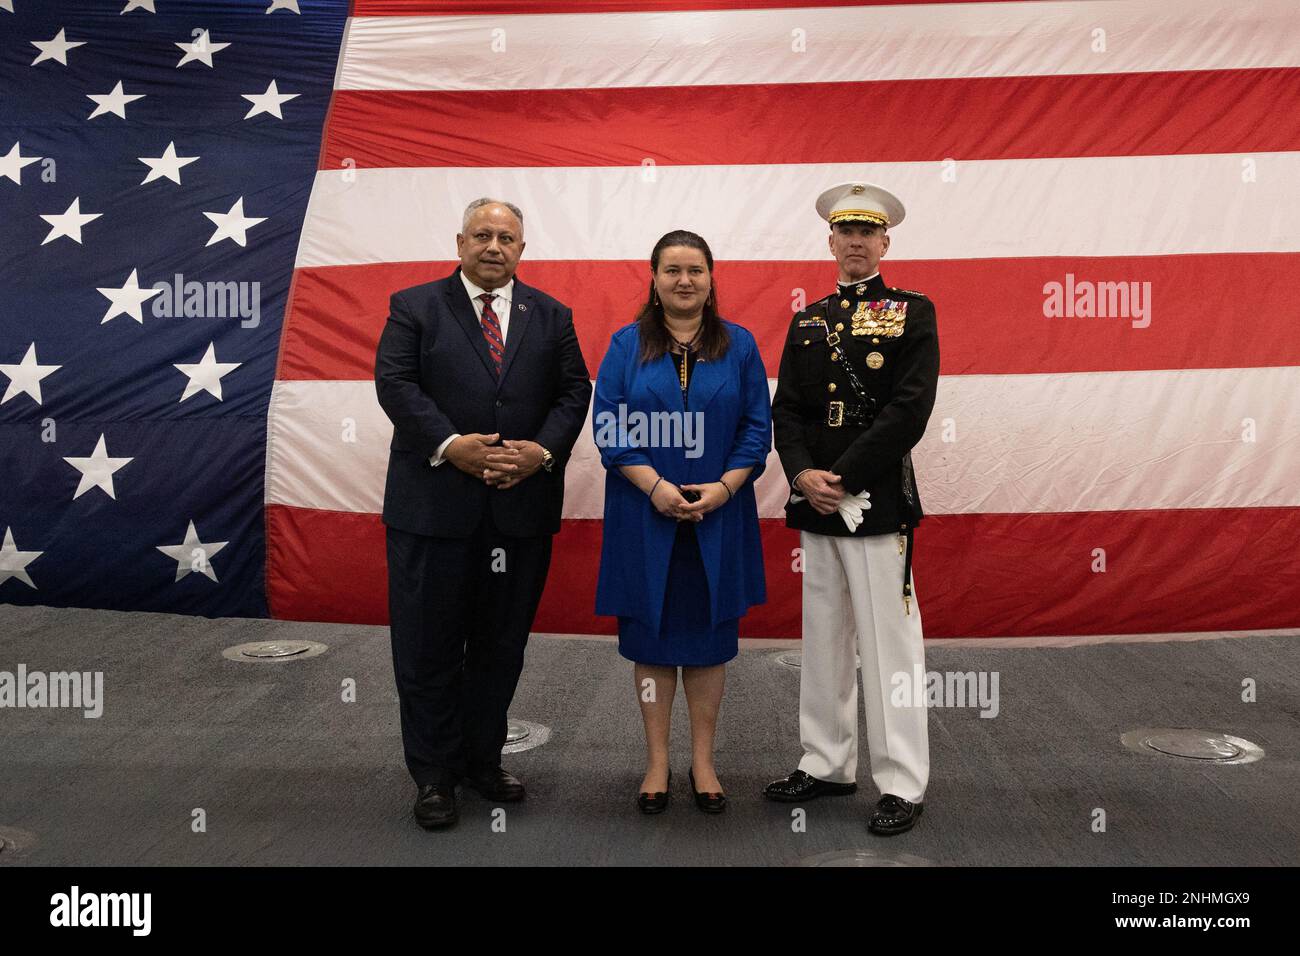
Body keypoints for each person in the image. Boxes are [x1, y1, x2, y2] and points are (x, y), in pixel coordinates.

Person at [374, 198, 592, 830]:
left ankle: (482, 760)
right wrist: (452, 447)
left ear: (522, 249)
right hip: (433, 511)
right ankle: (434, 777)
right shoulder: (414, 306)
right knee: (427, 647)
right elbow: (396, 384)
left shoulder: (551, 316)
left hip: (519, 512)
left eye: (507, 237)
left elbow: (574, 390)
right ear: (460, 242)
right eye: (483, 235)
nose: (494, 246)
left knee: (500, 647)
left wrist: (542, 452)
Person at [764, 183, 940, 835]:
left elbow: (909, 410)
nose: (857, 242)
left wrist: (842, 475)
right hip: (818, 502)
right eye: (846, 232)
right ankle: (827, 761)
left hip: (876, 501)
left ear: (885, 243)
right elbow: (787, 409)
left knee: (890, 647)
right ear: (830, 241)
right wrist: (804, 474)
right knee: (824, 639)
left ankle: (901, 781)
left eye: (869, 233)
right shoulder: (807, 320)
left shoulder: (911, 313)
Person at [593, 230, 771, 814]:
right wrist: (656, 488)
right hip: (645, 514)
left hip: (718, 515)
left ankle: (702, 761)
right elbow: (610, 428)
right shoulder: (625, 345)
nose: (684, 280)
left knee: (707, 643)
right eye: (672, 270)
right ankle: (656, 762)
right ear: (653, 277)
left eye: (695, 270)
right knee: (651, 638)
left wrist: (723, 489)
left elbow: (755, 428)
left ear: (712, 277)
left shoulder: (740, 345)